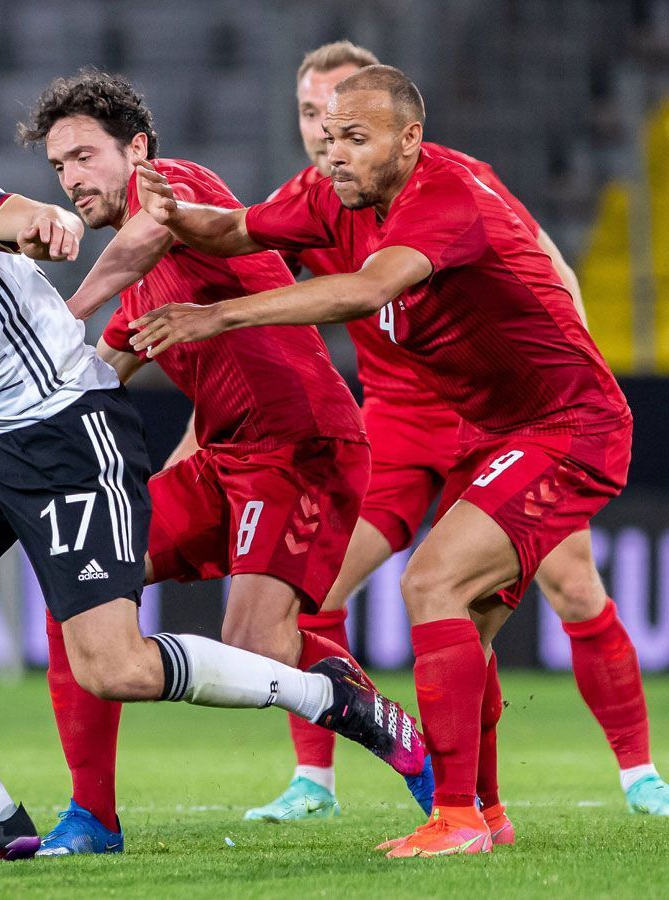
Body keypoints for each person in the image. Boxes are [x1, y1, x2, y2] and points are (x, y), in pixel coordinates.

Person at [0, 66, 427, 865]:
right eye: (60, 165)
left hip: (270, 446)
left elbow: (26, 221)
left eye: (86, 157)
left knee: (162, 654)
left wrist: (44, 228)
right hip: (30, 435)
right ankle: (13, 816)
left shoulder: (138, 188)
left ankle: (340, 704)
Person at [132, 65, 635, 857]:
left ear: (409, 139)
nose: (335, 156)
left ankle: (462, 816)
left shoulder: (448, 196)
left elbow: (367, 291)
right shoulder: (329, 189)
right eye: (329, 137)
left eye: (355, 140)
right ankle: (485, 814)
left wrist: (217, 315)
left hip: (568, 426)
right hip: (492, 431)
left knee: (431, 581)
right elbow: (237, 230)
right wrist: (174, 214)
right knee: (466, 618)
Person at [243, 40, 666, 826]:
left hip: (509, 420)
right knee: (319, 590)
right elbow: (254, 282)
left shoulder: (450, 181)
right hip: (398, 427)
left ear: (392, 121)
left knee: (566, 586)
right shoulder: (314, 198)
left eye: (342, 121)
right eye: (310, 117)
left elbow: (546, 270)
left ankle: (640, 774)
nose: (324, 135)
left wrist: (564, 376)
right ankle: (322, 778)